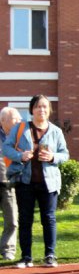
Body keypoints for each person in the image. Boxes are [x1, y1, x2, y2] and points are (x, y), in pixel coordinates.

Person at [3, 95, 69, 268]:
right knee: (25, 220)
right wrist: (20, 156)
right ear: (32, 110)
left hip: (49, 182)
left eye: (45, 106)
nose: (42, 110)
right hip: (25, 181)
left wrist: (53, 157)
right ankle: (26, 257)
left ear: (50, 110)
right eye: (38, 106)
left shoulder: (56, 131)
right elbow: (6, 148)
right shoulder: (20, 128)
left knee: (49, 219)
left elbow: (65, 154)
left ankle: (50, 255)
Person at [0, 107, 22, 261]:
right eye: (15, 119)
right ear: (3, 121)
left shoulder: (20, 138)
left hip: (10, 185)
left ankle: (8, 250)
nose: (19, 121)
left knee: (12, 220)